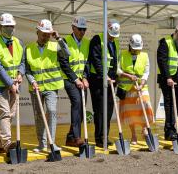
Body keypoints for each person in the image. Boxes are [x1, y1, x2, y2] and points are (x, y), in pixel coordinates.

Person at [25, 19, 70, 152]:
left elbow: (67, 54)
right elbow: (27, 69)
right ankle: (42, 144)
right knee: (38, 115)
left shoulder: (55, 46)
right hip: (36, 88)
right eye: (43, 34)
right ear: (37, 32)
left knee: (51, 111)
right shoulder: (28, 48)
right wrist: (32, 81)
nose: (45, 36)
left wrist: (58, 38)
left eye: (48, 34)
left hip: (51, 87)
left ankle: (52, 142)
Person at [0, 13, 25, 154]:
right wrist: (10, 84)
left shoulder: (19, 43)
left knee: (11, 115)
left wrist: (20, 73)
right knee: (5, 113)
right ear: (0, 27)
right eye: (7, 26)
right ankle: (7, 144)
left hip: (14, 84)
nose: (10, 29)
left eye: (12, 26)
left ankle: (0, 144)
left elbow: (22, 62)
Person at [88, 19, 120, 148]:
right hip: (97, 80)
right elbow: (95, 59)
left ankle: (105, 136)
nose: (112, 38)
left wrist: (115, 77)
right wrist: (103, 75)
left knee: (109, 110)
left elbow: (114, 62)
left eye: (114, 36)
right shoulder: (97, 39)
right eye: (111, 35)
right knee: (100, 110)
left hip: (111, 81)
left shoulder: (115, 43)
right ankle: (99, 138)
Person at [117, 34, 154, 145]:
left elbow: (146, 72)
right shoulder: (122, 54)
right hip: (127, 89)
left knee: (146, 106)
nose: (136, 50)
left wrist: (141, 85)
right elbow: (117, 70)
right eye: (134, 49)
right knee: (130, 113)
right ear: (130, 46)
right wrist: (128, 76)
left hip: (140, 87)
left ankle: (144, 128)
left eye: (138, 49)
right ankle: (133, 134)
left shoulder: (145, 56)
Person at [60, 16, 90, 147]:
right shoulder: (65, 42)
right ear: (73, 28)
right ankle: (77, 137)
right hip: (68, 79)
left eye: (84, 29)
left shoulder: (86, 43)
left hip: (81, 79)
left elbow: (87, 62)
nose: (82, 32)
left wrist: (84, 77)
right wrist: (75, 79)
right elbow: (64, 63)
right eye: (80, 29)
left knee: (82, 106)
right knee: (77, 103)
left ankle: (70, 137)